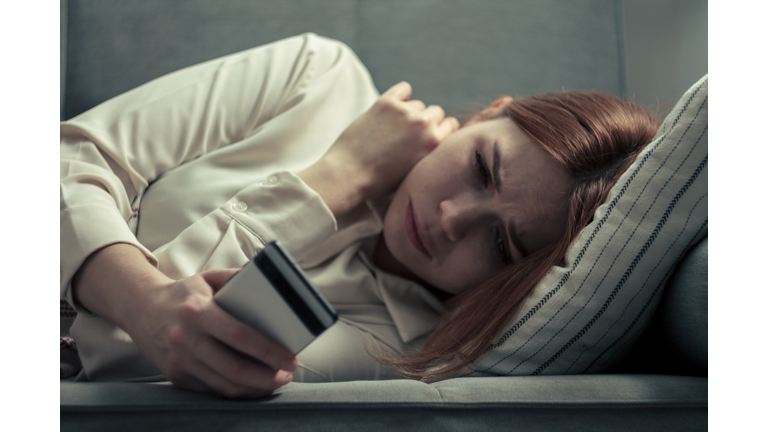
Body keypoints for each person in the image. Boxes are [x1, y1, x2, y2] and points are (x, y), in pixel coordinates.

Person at [60, 33, 659, 398]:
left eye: (501, 245)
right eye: (481, 167)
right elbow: (66, 154)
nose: (451, 218)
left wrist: (331, 182)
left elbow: (118, 359)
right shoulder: (317, 75)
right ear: (486, 116)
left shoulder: (400, 349)